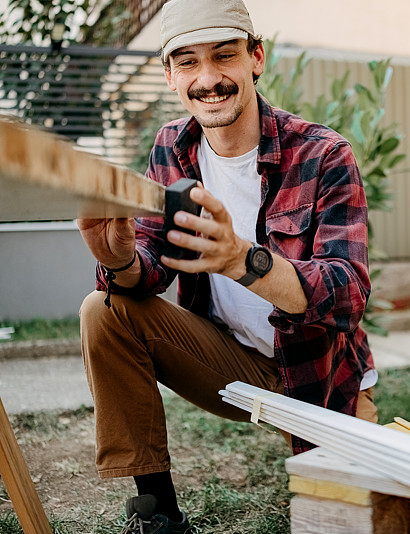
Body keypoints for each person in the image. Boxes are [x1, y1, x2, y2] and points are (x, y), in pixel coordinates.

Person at [77, 0, 377, 531]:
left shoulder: (324, 154)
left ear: (255, 58)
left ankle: (338, 446)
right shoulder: (173, 146)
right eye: (188, 62)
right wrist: (118, 259)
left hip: (319, 377)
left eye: (224, 56)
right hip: (231, 364)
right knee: (103, 310)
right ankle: (159, 514)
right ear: (170, 76)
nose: (209, 79)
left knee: (345, 519)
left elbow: (348, 293)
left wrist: (243, 261)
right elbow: (150, 266)